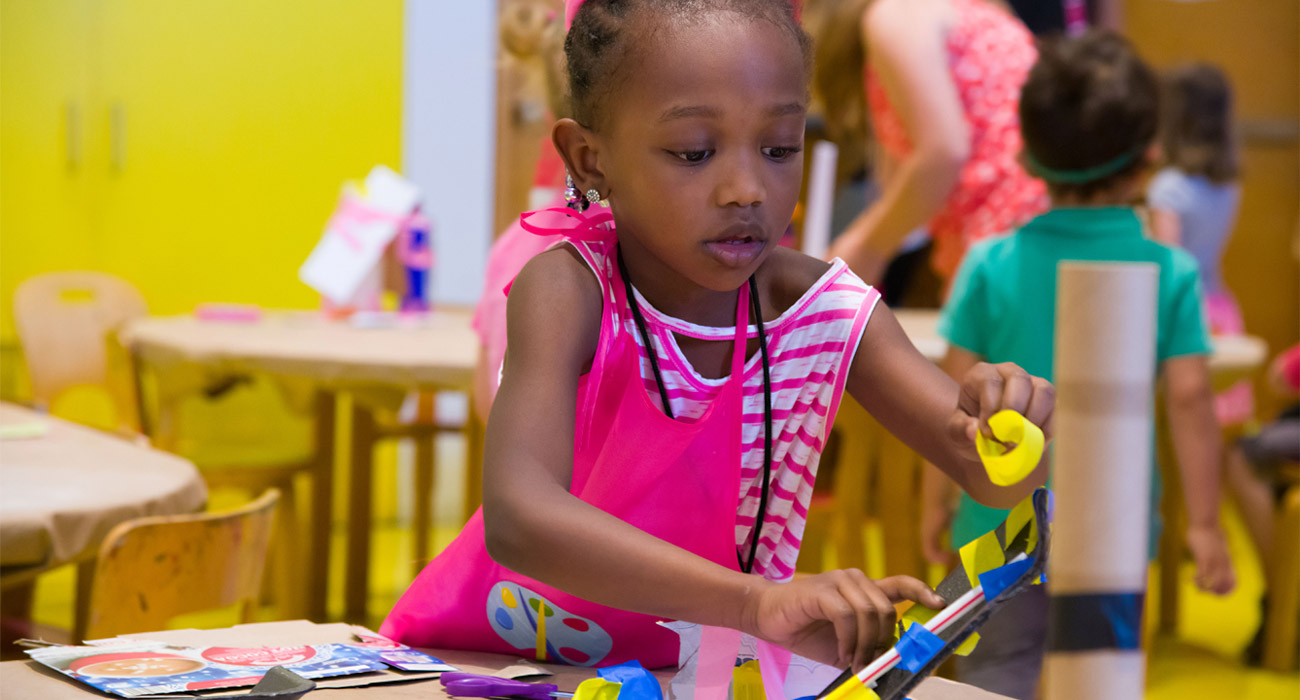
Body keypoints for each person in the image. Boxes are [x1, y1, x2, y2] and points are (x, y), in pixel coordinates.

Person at [383, 0, 1055, 672]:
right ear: (589, 160)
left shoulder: (824, 310)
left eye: (779, 148)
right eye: (694, 152)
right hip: (489, 665)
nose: (746, 189)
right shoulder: (568, 291)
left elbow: (991, 477)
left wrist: (1010, 429)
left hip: (688, 679)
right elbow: (519, 517)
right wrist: (755, 602)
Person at [921, 31, 1237, 699]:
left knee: (997, 677)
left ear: (1029, 155)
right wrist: (1204, 523)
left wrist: (937, 499)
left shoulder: (989, 261)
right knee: (1101, 678)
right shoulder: (1169, 270)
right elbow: (1188, 399)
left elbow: (948, 398)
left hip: (994, 527)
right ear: (1150, 156)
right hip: (1112, 531)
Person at [815, 0, 1047, 291]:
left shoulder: (897, 13)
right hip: (1046, 224)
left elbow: (943, 153)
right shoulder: (981, 10)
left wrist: (865, 249)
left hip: (1004, 239)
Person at [1147, 63, 1253, 427]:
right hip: (1221, 307)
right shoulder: (1226, 183)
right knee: (1218, 433)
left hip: (1186, 314)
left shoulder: (1168, 187)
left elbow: (1169, 265)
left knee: (1180, 428)